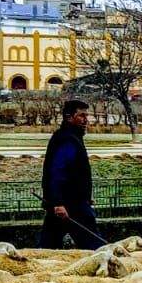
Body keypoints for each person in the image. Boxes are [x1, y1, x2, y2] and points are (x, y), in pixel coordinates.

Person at [39, 100, 107, 249]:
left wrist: (86, 196)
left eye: (86, 116)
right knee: (95, 246)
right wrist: (57, 203)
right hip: (71, 206)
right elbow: (58, 172)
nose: (86, 120)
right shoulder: (67, 140)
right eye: (81, 116)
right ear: (69, 117)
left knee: (48, 246)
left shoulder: (69, 137)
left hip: (69, 203)